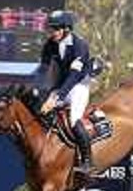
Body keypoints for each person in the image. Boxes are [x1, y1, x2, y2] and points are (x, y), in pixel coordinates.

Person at [39, 10, 93, 176]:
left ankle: (87, 161)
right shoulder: (50, 44)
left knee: (74, 119)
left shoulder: (80, 46)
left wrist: (57, 97)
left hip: (79, 86)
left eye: (55, 29)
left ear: (66, 29)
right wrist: (40, 92)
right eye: (50, 29)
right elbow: (43, 70)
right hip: (62, 85)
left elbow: (74, 76)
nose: (51, 32)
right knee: (41, 111)